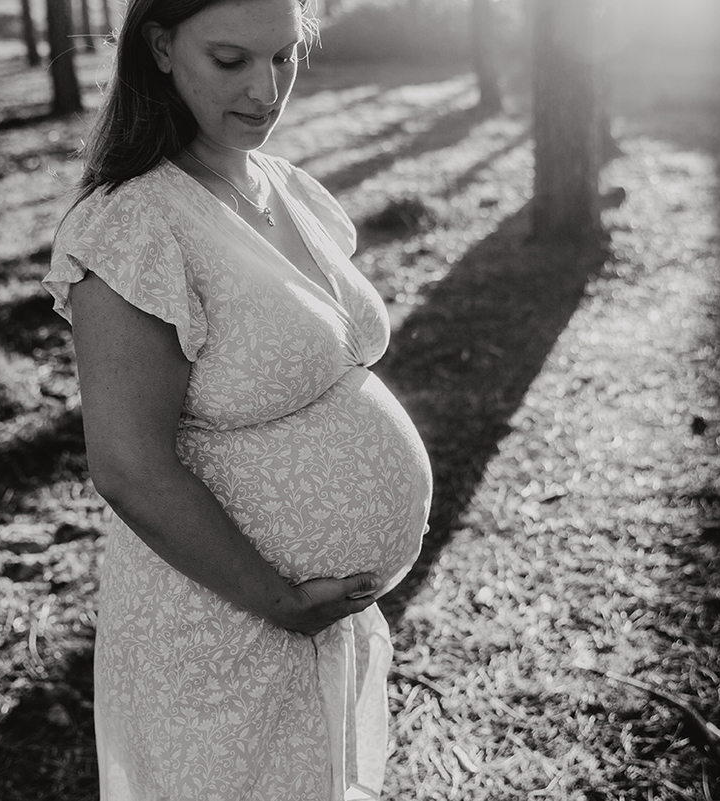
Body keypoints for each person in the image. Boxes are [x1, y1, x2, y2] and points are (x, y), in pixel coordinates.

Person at [43, 0, 432, 795]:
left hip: (311, 627)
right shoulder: (135, 225)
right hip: (219, 629)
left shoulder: (282, 185)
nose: (266, 89)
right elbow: (128, 465)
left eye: (286, 57)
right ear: (159, 46)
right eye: (231, 61)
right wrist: (280, 600)